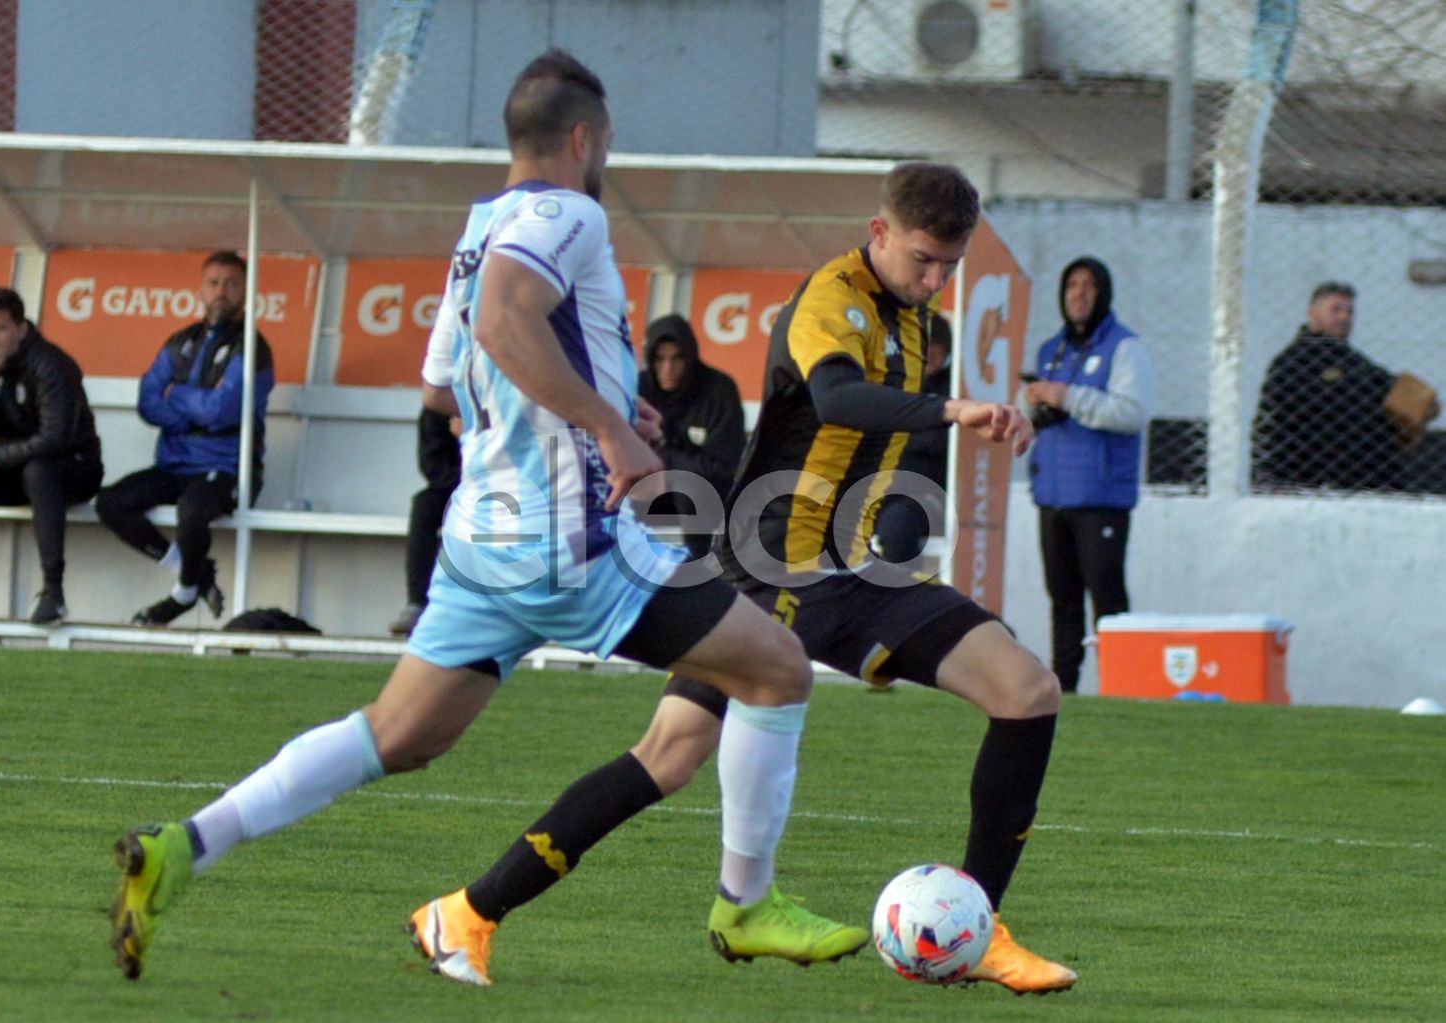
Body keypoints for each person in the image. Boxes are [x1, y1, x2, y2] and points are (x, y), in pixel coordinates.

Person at [108, 48, 847, 988]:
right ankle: (748, 907)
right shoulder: (564, 211)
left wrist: (608, 398)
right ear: (584, 137)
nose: (606, 157)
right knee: (778, 669)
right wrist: (610, 430)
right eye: (608, 141)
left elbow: (441, 388)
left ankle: (185, 846)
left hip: (484, 541)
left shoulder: (480, 227)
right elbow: (505, 323)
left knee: (398, 736)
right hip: (569, 541)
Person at [444, 163, 1079, 995]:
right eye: (923, 260)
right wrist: (953, 410)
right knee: (670, 755)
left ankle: (979, 927)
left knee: (1028, 690)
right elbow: (839, 397)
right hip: (771, 568)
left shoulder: (913, 319)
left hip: (846, 573)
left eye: (949, 266)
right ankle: (472, 911)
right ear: (879, 232)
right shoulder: (832, 298)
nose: (935, 280)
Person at [94, 251, 275, 625]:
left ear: (247, 291)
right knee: (111, 503)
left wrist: (175, 395)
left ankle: (183, 593)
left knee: (192, 512)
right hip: (174, 463)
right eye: (213, 283)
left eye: (231, 284)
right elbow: (147, 401)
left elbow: (223, 411)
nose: (221, 292)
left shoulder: (253, 346)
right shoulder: (180, 341)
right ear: (200, 290)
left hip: (226, 467)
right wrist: (196, 410)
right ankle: (196, 572)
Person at [1020, 257, 1153, 695]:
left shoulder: (1125, 347)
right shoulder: (1050, 350)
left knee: (1108, 601)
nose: (1078, 293)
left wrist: (1068, 396)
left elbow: (1132, 414)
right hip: (1053, 494)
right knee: (1062, 601)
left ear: (1104, 293)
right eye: (1071, 284)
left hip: (1100, 498)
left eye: (1089, 285)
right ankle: (1065, 692)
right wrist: (1035, 408)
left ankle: (1123, 688)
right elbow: (1045, 413)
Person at [0, 288, 103, 624]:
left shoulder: (51, 364)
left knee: (39, 471)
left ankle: (53, 593)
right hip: (11, 469)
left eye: (0, 329)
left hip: (74, 468)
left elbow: (54, 439)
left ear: (21, 328)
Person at [1251, 281, 1404, 491]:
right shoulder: (1291, 363)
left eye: (1350, 312)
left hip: (1365, 481)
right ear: (1313, 312)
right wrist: (1272, 479)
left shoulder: (1354, 362)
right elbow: (1269, 424)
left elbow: (1393, 388)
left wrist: (1423, 401)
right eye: (1336, 310)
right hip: (1311, 480)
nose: (1344, 317)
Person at [638, 313, 745, 557]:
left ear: (690, 358)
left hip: (708, 498)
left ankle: (697, 575)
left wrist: (665, 457)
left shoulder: (718, 390)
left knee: (691, 486)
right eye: (660, 359)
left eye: (677, 359)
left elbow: (723, 467)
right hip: (652, 490)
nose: (668, 368)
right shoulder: (640, 389)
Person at [873, 312, 952, 563]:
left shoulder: (955, 390)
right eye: (920, 344)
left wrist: (901, 430)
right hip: (882, 490)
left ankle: (897, 598)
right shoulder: (893, 385)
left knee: (897, 525)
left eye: (935, 345)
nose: (928, 352)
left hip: (930, 495)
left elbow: (937, 442)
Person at [388, 405, 463, 636]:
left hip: (508, 486)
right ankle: (417, 603)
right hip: (457, 485)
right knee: (424, 506)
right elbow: (432, 463)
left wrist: (470, 438)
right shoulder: (442, 401)